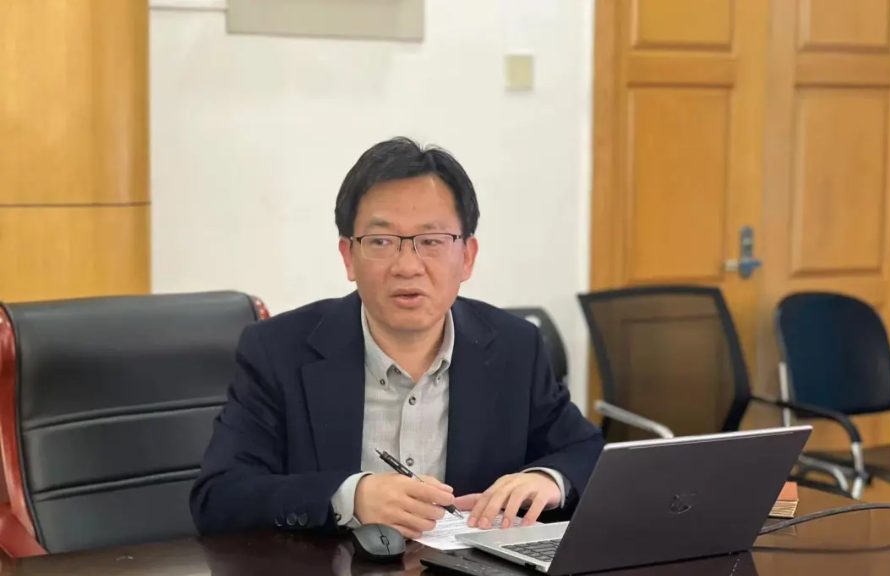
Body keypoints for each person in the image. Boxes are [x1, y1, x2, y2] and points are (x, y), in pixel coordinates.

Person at [190, 137, 604, 540]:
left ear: (467, 257)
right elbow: (220, 495)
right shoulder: (277, 351)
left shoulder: (515, 348)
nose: (407, 266)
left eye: (432, 241)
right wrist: (349, 497)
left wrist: (549, 479)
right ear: (348, 257)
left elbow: (587, 452)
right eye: (382, 241)